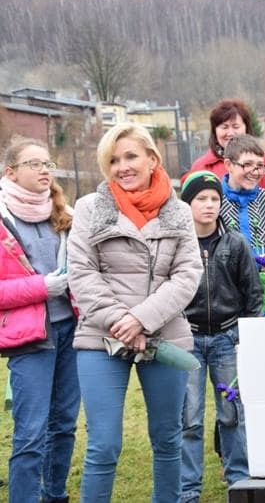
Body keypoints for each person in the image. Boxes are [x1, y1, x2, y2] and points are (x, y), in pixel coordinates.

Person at [68, 123, 203, 502]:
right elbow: (81, 272)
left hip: (164, 335)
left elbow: (187, 274)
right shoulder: (89, 209)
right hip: (101, 337)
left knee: (168, 439)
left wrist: (142, 320)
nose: (122, 167)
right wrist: (120, 322)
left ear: (152, 159)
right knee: (103, 444)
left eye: (130, 156)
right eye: (113, 160)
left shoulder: (178, 212)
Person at [1, 136, 79, 503]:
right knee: (30, 434)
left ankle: (55, 495)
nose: (44, 170)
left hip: (71, 332)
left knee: (64, 426)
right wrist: (42, 287)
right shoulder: (3, 220)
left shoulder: (65, 214)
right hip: (30, 338)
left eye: (47, 163)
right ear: (11, 173)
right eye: (33, 164)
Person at [179, 171, 262, 502]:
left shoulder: (235, 243)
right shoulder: (178, 244)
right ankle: (188, 488)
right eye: (201, 199)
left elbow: (252, 293)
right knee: (189, 417)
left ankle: (238, 478)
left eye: (215, 198)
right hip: (188, 341)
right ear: (187, 204)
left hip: (227, 339)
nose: (209, 205)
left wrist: (246, 335)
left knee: (231, 412)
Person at [218, 134, 265, 316]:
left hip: (263, 296)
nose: (255, 172)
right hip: (224, 298)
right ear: (229, 165)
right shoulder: (214, 200)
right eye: (247, 164)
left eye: (259, 166)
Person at [186, 98, 265, 217]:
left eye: (236, 126)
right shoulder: (201, 166)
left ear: (246, 128)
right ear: (215, 131)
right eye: (224, 127)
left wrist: (250, 218)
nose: (230, 133)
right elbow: (189, 205)